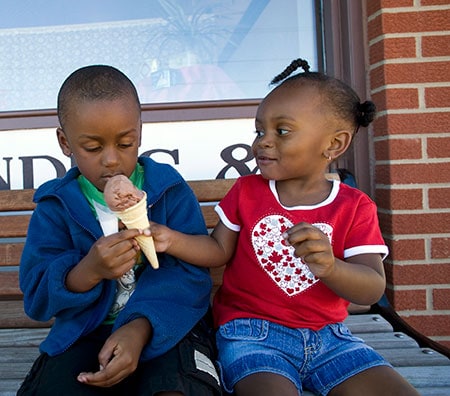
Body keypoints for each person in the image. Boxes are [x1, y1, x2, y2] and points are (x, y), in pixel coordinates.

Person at [148, 59, 420, 396]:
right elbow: (218, 251)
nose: (263, 141)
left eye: (282, 131)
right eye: (260, 130)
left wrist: (331, 268)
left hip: (330, 338)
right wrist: (170, 239)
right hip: (251, 335)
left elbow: (371, 289)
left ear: (334, 144)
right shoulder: (247, 192)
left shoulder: (354, 207)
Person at [18, 65, 221, 396]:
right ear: (64, 142)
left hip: (166, 326)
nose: (111, 160)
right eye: (93, 148)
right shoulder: (56, 207)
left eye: (125, 143)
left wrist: (139, 328)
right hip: (85, 332)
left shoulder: (167, 191)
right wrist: (88, 270)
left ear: (139, 134)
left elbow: (190, 275)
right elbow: (38, 297)